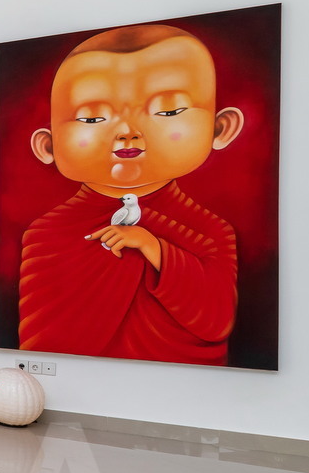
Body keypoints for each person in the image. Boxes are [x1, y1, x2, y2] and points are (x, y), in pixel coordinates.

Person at [18, 24, 244, 366]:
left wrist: (153, 246)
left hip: (188, 391)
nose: (127, 133)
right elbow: (40, 346)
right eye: (92, 118)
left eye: (168, 111)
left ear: (220, 128)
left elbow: (217, 323)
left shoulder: (212, 231)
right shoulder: (46, 234)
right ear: (48, 145)